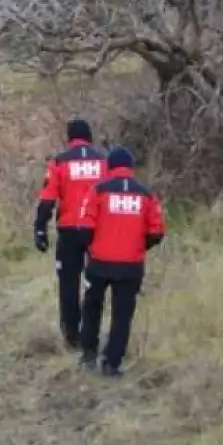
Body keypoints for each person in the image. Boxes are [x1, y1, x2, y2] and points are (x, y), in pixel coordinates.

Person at [76, 145, 166, 377]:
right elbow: (157, 231)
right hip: (131, 265)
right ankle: (112, 363)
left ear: (110, 166)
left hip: (99, 263)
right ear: (131, 168)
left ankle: (88, 353)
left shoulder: (98, 190)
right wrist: (139, 246)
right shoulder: (145, 194)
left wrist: (91, 247)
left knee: (92, 308)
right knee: (122, 315)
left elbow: (84, 226)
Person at [33, 118, 109, 351]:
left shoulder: (60, 162)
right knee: (95, 283)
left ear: (69, 137)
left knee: (69, 284)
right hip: (97, 230)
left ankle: (71, 335)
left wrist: (40, 227)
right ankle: (91, 333)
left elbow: (48, 198)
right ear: (89, 137)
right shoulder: (103, 161)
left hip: (69, 229)